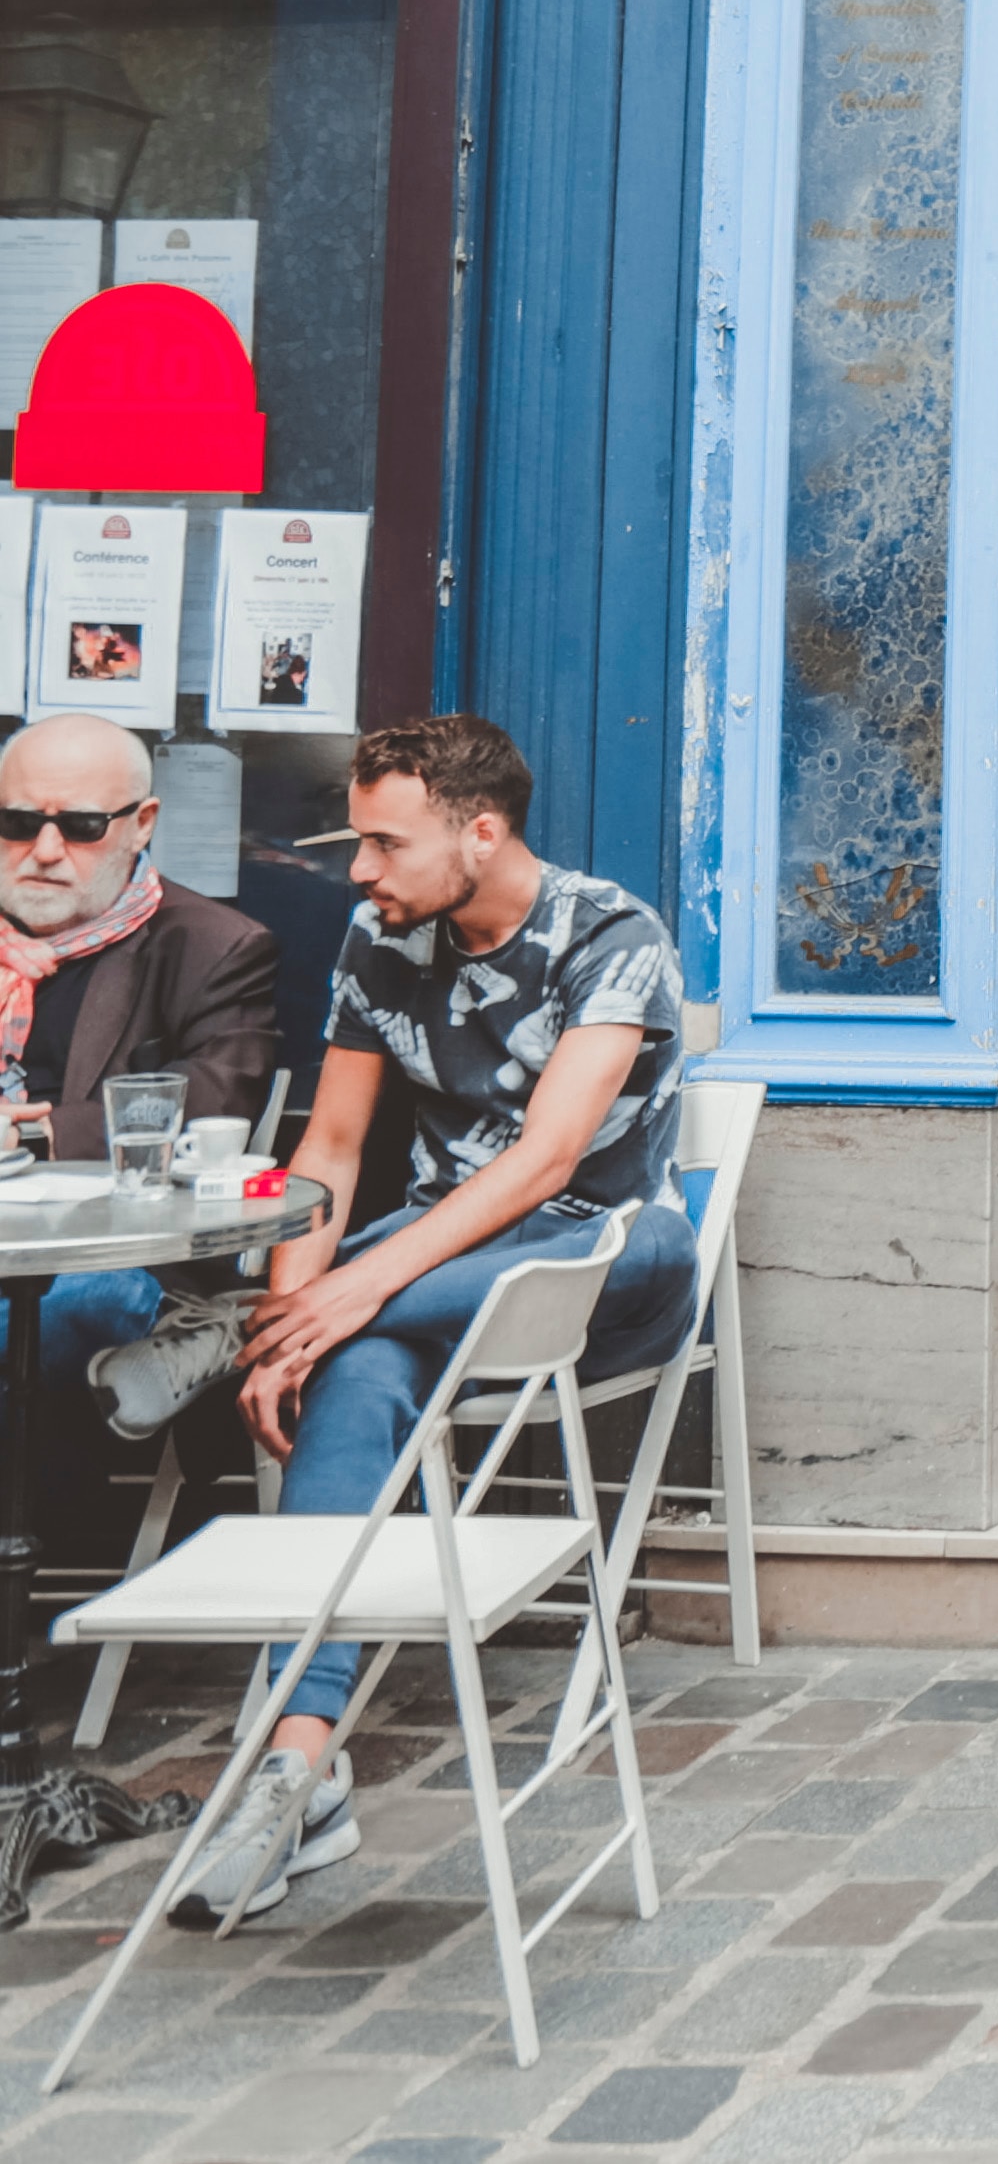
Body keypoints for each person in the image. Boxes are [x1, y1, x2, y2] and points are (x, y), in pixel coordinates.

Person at [175, 713, 696, 1935]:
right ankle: (298, 1766)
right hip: (433, 1274)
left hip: (602, 1259)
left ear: (482, 829)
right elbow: (336, 1145)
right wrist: (306, 1298)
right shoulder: (381, 937)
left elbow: (545, 1160)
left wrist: (329, 1295)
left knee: (358, 1319)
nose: (358, 871)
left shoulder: (609, 934)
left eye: (382, 843)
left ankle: (217, 1336)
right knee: (352, 1361)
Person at [0, 714, 285, 1469]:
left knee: (73, 1305)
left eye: (84, 825)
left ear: (141, 824)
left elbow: (217, 1097)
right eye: (18, 822)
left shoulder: (213, 945)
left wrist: (35, 1135)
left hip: (104, 1256)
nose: (46, 850)